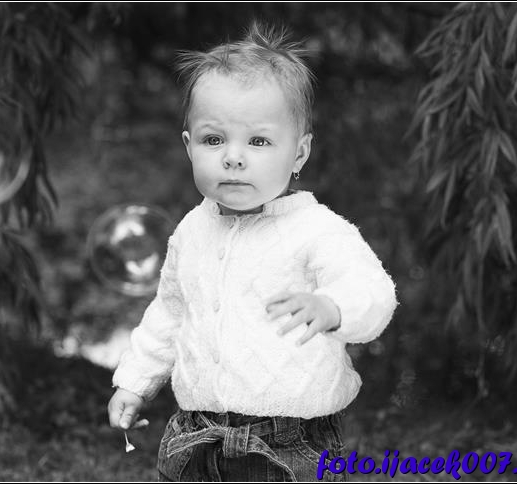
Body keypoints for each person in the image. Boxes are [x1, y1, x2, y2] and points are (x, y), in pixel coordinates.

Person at [107, 22, 398, 482]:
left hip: (289, 442)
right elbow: (170, 313)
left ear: (299, 154)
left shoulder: (317, 229)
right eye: (214, 139)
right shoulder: (191, 231)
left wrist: (333, 308)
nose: (233, 156)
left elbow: (374, 292)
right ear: (189, 147)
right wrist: (134, 382)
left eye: (258, 141)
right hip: (194, 435)